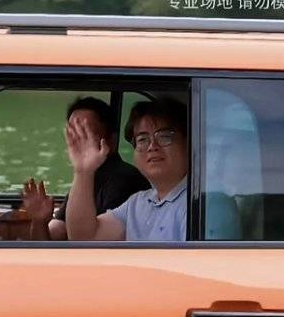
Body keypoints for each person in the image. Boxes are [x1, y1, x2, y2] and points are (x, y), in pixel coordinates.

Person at [21, 97, 149, 240]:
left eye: (85, 133)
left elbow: (88, 242)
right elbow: (54, 236)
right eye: (73, 133)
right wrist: (39, 221)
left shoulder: (125, 180)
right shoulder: (86, 178)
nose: (77, 140)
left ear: (111, 140)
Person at [64, 98, 189, 241]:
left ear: (188, 143)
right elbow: (84, 238)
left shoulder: (198, 204)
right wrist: (83, 171)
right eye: (142, 139)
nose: (152, 146)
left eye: (164, 137)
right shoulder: (137, 203)